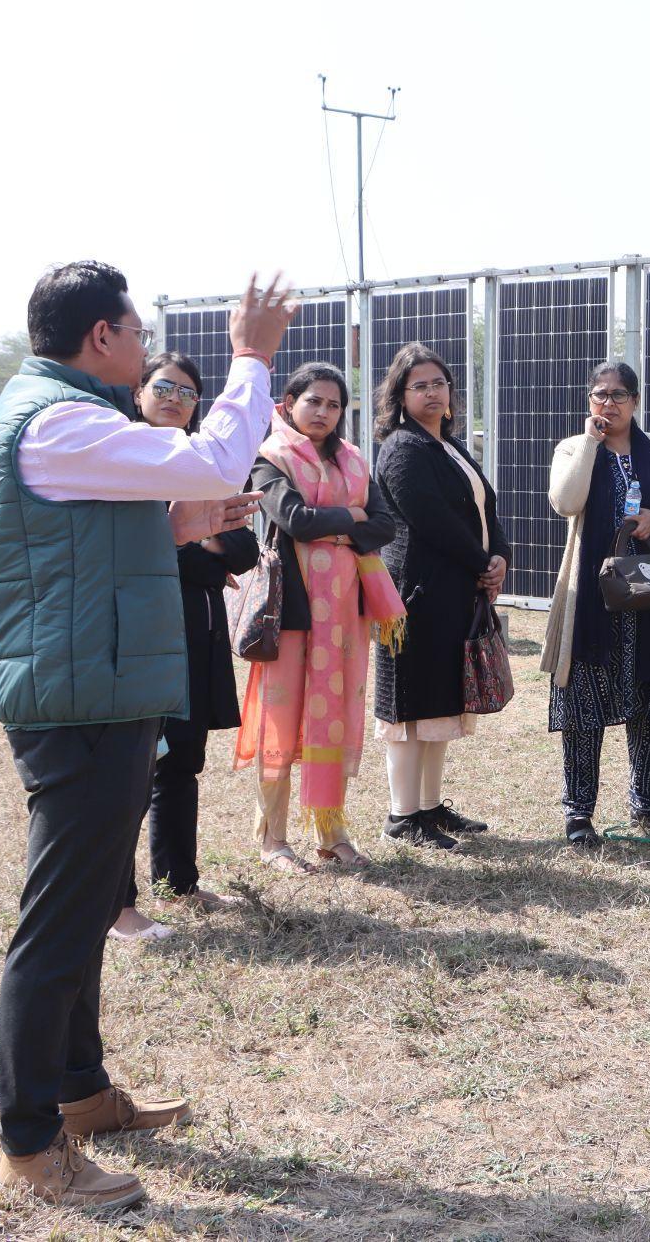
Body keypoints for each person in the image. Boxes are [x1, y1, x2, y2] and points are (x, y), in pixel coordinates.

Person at [0, 263, 292, 1208]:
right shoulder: (63, 417)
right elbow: (212, 455)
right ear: (102, 339)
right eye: (136, 330)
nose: (148, 348)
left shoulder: (67, 416)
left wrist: (172, 526)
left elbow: (86, 544)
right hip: (81, 699)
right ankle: (32, 1148)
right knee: (60, 925)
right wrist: (251, 358)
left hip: (97, 690)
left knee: (82, 912)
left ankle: (79, 1095)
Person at [108, 351, 260, 943]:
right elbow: (139, 553)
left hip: (194, 638)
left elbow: (243, 553)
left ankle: (179, 879)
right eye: (163, 386)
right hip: (135, 640)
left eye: (189, 393)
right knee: (130, 770)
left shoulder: (204, 467)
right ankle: (117, 905)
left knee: (181, 763)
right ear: (139, 392)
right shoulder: (116, 460)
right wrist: (195, 550)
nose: (175, 398)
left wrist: (193, 550)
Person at [234, 362, 402, 873]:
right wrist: (351, 520)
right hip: (290, 610)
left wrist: (343, 525)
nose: (324, 412)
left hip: (344, 617)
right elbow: (294, 520)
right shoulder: (271, 458)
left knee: (333, 718)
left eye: (334, 405)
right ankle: (274, 840)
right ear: (287, 404)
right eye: (314, 401)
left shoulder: (354, 461)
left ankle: (332, 832)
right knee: (282, 722)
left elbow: (385, 525)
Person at [542, 361, 650, 845]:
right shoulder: (573, 448)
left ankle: (647, 808)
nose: (608, 404)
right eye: (599, 395)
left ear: (636, 401)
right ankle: (578, 814)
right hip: (590, 599)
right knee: (582, 710)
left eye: (618, 395)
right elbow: (566, 502)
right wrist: (592, 443)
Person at [371, 342, 511, 850]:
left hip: (455, 594)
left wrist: (500, 558)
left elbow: (483, 509)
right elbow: (432, 520)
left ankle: (429, 807)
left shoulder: (449, 446)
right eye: (420, 385)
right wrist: (481, 563)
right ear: (401, 395)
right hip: (416, 598)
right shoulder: (402, 448)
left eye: (439, 383)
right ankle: (401, 816)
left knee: (438, 706)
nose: (432, 392)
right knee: (408, 709)